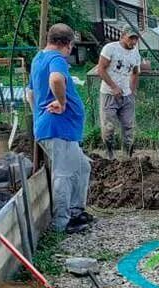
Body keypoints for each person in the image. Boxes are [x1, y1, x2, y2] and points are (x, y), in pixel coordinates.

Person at [29, 23, 93, 234]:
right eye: (71, 47)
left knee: (83, 166)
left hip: (57, 128)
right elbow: (56, 79)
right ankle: (62, 222)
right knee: (63, 175)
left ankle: (76, 211)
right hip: (58, 128)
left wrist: (38, 114)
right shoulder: (57, 59)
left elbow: (29, 93)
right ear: (66, 44)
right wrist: (62, 102)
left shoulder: (39, 59)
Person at [97, 24, 142, 159]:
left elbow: (135, 73)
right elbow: (101, 70)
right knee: (109, 128)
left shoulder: (135, 53)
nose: (133, 42)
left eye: (135, 39)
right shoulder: (110, 49)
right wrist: (114, 87)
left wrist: (132, 91)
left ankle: (127, 156)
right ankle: (110, 153)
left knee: (129, 127)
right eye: (131, 38)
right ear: (122, 36)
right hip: (109, 94)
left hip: (127, 96)